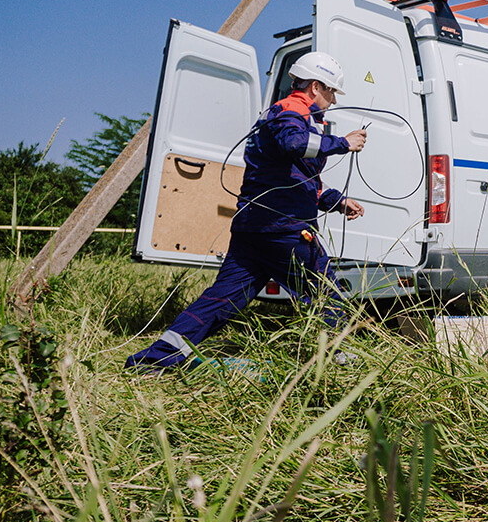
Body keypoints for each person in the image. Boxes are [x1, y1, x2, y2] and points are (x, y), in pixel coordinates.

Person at [126, 51, 368, 370]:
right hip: (284, 230)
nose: (334, 100)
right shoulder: (291, 111)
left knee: (220, 302)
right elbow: (293, 145)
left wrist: (336, 201)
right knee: (326, 294)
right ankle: (342, 366)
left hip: (254, 231)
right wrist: (342, 143)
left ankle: (155, 360)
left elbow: (298, 178)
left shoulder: (291, 116)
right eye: (332, 91)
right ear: (315, 86)